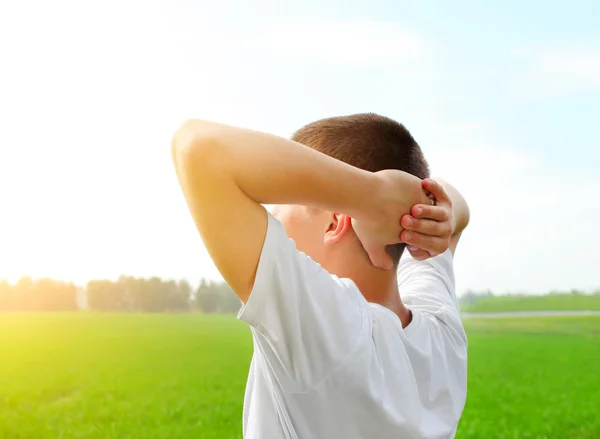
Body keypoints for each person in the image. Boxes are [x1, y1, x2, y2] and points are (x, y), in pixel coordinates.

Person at [171, 113, 470, 439]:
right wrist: (428, 213)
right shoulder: (441, 334)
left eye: (280, 207)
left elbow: (198, 147)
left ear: (334, 222)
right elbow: (458, 209)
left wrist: (372, 196)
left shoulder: (327, 327)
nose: (272, 219)